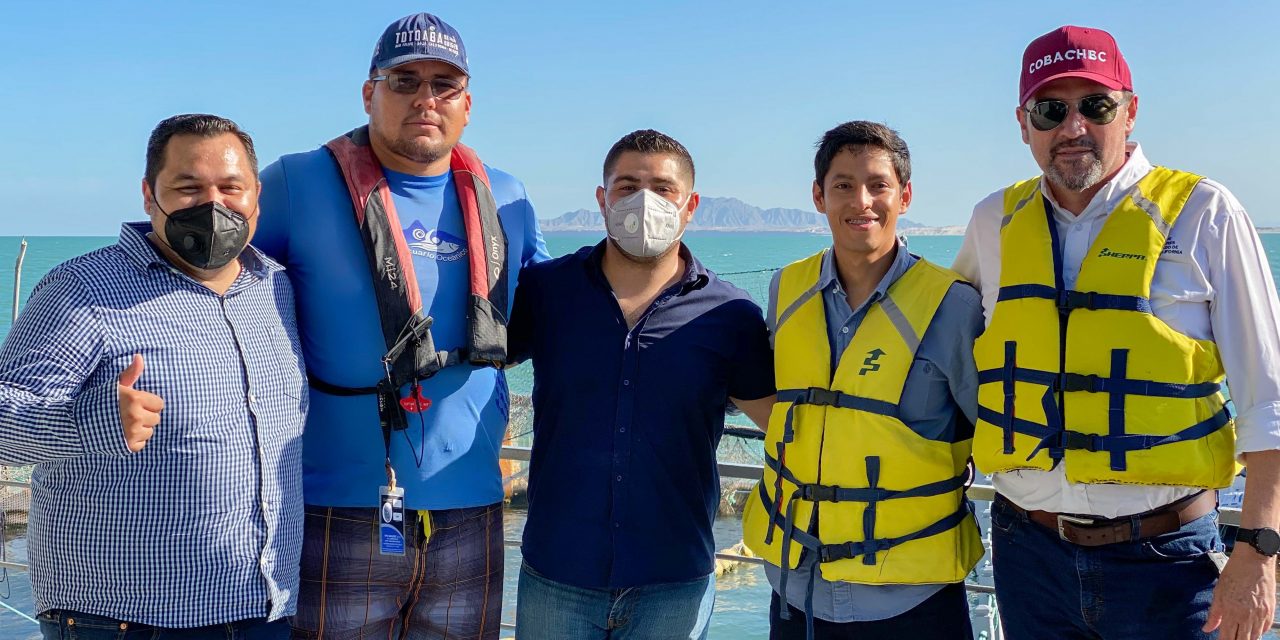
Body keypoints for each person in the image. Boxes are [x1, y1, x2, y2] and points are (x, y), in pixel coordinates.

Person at [954, 25, 1280, 640]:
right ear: (1024, 125)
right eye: (1051, 109)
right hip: (1027, 551)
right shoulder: (991, 221)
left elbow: (1270, 399)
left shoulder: (1206, 213)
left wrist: (1258, 552)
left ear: (1130, 111)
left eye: (1095, 105)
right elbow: (947, 359)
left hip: (1168, 561)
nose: (1072, 127)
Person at [253, 12, 548, 639]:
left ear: (467, 102)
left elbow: (570, 309)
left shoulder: (508, 196)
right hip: (339, 505)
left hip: (472, 504)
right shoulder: (298, 183)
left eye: (444, 84)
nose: (425, 98)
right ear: (369, 93)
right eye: (404, 80)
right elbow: (203, 278)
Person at [0, 114, 306, 639]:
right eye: (188, 188)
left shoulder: (276, 288)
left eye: (231, 187)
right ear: (149, 194)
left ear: (256, 195)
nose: (213, 206)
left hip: (265, 610)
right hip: (124, 620)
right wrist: (89, 423)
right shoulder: (82, 289)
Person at [507, 129, 775, 639]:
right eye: (626, 186)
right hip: (555, 572)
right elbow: (480, 366)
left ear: (691, 204)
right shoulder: (547, 292)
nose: (643, 201)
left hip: (674, 581)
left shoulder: (730, 315)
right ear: (601, 200)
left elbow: (782, 428)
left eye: (662, 188)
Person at [741, 121, 984, 640]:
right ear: (818, 196)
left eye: (878, 184)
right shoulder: (787, 289)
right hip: (795, 594)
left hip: (915, 599)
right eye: (843, 185)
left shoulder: (954, 305)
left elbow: (994, 437)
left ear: (906, 195)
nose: (862, 201)